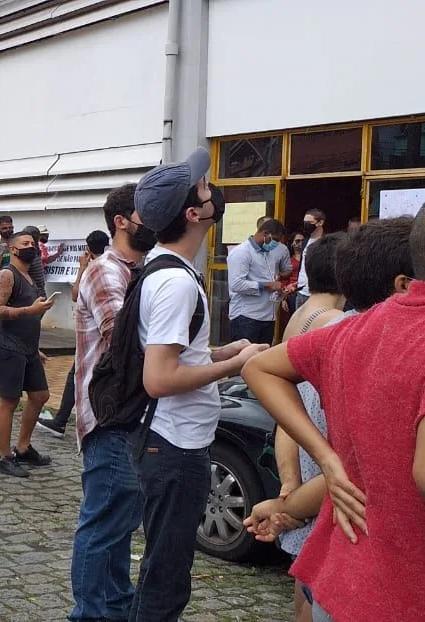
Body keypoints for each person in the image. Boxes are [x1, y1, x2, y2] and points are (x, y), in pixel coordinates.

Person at [242, 204, 425, 620]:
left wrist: (320, 466)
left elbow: (258, 368)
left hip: (344, 580)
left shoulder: (353, 330)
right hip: (417, 594)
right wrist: (325, 463)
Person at [129, 149, 267, 620]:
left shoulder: (166, 268)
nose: (213, 191)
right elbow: (160, 377)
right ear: (194, 213)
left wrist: (218, 353)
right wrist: (235, 366)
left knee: (164, 568)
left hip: (171, 441)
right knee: (166, 577)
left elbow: (169, 356)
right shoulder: (177, 283)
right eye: (205, 188)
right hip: (172, 445)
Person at [242, 228, 382, 622]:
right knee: (319, 577)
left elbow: (289, 411)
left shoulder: (301, 317)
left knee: (306, 574)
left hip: (307, 469)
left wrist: (289, 486)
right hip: (326, 474)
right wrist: (295, 497)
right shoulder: (342, 326)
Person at [64, 184, 156, 621]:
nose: (153, 222)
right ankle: (91, 614)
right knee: (103, 524)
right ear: (121, 221)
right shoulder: (107, 270)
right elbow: (122, 339)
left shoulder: (141, 269)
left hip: (129, 413)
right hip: (110, 416)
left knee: (119, 524)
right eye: (145, 214)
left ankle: (114, 608)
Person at [0, 230, 56, 478]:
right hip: (7, 347)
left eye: (33, 243)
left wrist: (35, 347)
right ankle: (5, 456)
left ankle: (23, 447)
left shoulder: (29, 276)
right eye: (25, 243)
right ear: (13, 249)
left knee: (40, 395)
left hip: (28, 349)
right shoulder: (7, 274)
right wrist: (30, 310)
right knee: (9, 400)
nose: (31, 246)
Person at [37, 229, 111, 438]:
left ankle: (63, 421)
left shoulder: (93, 270)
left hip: (93, 336)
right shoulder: (115, 266)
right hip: (106, 335)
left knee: (78, 376)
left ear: (88, 249)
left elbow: (75, 295)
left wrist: (81, 268)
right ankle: (66, 419)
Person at [226, 217, 292, 344]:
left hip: (268, 315)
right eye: (276, 240)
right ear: (265, 234)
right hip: (246, 317)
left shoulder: (269, 253)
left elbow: (271, 279)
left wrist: (279, 289)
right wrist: (267, 285)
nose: (276, 245)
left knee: (260, 359)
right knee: (243, 360)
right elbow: (236, 284)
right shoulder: (242, 252)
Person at [294, 208, 326, 307]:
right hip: (301, 292)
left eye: (309, 222)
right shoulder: (305, 242)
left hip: (317, 294)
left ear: (320, 222)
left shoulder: (327, 243)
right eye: (305, 222)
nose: (306, 225)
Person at [281, 231, 307, 313]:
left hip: (306, 293)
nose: (300, 243)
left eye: (303, 241)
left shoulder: (309, 258)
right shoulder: (288, 261)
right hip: (292, 294)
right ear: (292, 243)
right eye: (297, 241)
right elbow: (284, 281)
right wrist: (283, 299)